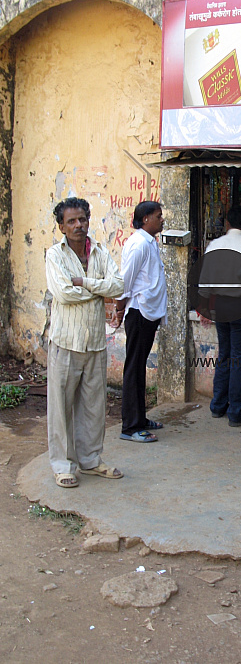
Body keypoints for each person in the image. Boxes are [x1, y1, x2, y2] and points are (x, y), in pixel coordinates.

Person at [45, 197, 124, 488]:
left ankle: (90, 460)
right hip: (66, 341)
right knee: (61, 407)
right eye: (71, 221)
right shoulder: (55, 255)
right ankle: (62, 465)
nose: (78, 225)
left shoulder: (100, 253)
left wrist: (86, 282)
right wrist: (98, 290)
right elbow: (64, 294)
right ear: (62, 226)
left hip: (94, 342)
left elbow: (118, 286)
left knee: (93, 406)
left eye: (82, 219)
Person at [115, 201, 167, 442]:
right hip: (138, 312)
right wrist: (119, 306)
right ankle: (131, 427)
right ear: (145, 218)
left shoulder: (149, 242)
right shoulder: (138, 245)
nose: (162, 219)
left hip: (148, 313)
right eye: (158, 216)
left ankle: (139, 418)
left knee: (138, 366)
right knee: (134, 367)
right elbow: (125, 281)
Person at [202, 206, 241, 426]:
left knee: (225, 355)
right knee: (240, 359)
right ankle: (236, 412)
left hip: (221, 306)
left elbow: (204, 282)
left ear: (227, 224)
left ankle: (218, 405)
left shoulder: (214, 245)